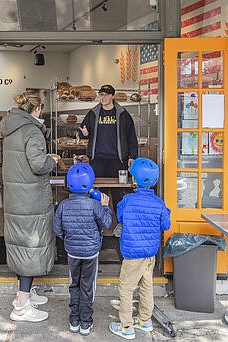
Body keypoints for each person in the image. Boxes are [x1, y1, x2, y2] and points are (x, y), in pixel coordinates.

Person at [0, 91, 60, 322]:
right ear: (37, 110)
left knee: (21, 243)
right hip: (31, 198)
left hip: (16, 196)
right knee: (30, 246)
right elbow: (37, 165)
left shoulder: (11, 128)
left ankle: (23, 294)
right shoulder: (32, 131)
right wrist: (52, 160)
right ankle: (22, 306)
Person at [108, 158, 171, 340]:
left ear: (134, 180)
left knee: (126, 289)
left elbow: (120, 217)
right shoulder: (159, 203)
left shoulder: (127, 200)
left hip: (132, 253)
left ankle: (126, 326)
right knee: (146, 285)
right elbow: (165, 225)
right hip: (150, 252)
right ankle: (145, 319)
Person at [53, 162, 113, 336]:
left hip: (72, 252)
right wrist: (105, 207)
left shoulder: (63, 205)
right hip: (91, 253)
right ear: (90, 183)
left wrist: (68, 239)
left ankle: (74, 320)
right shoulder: (94, 205)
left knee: (74, 284)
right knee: (87, 287)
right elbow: (107, 224)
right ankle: (85, 322)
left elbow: (57, 229)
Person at [78, 84, 138, 231]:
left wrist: (132, 156)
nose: (103, 97)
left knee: (118, 192)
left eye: (106, 95)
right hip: (98, 159)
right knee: (99, 191)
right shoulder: (93, 113)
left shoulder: (123, 114)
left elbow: (131, 136)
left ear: (112, 96)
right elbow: (81, 132)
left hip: (118, 159)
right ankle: (99, 223)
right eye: (101, 95)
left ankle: (120, 223)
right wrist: (83, 134)